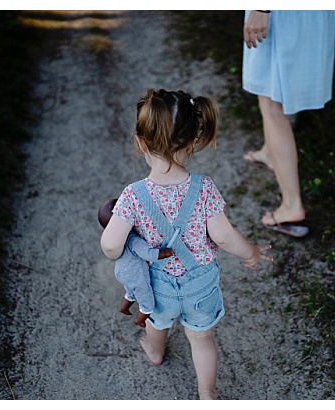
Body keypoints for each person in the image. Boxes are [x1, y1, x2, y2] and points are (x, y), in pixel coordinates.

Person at [101, 88, 272, 399]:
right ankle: (207, 393)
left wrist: (125, 236)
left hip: (159, 285)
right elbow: (223, 235)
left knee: (157, 320)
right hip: (201, 284)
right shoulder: (204, 187)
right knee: (202, 337)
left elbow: (111, 247)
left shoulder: (132, 196)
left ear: (140, 142)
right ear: (193, 142)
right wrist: (252, 252)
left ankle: (155, 352)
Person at [240, 10, 335, 237]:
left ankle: (291, 205)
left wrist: (261, 9)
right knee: (273, 85)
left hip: (283, 14)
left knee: (272, 105)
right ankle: (268, 152)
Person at [98, 198, 174, 327]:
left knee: (131, 291)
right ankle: (141, 318)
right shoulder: (133, 239)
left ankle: (123, 307)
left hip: (121, 272)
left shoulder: (115, 240)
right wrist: (163, 253)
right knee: (147, 298)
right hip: (135, 274)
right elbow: (147, 253)